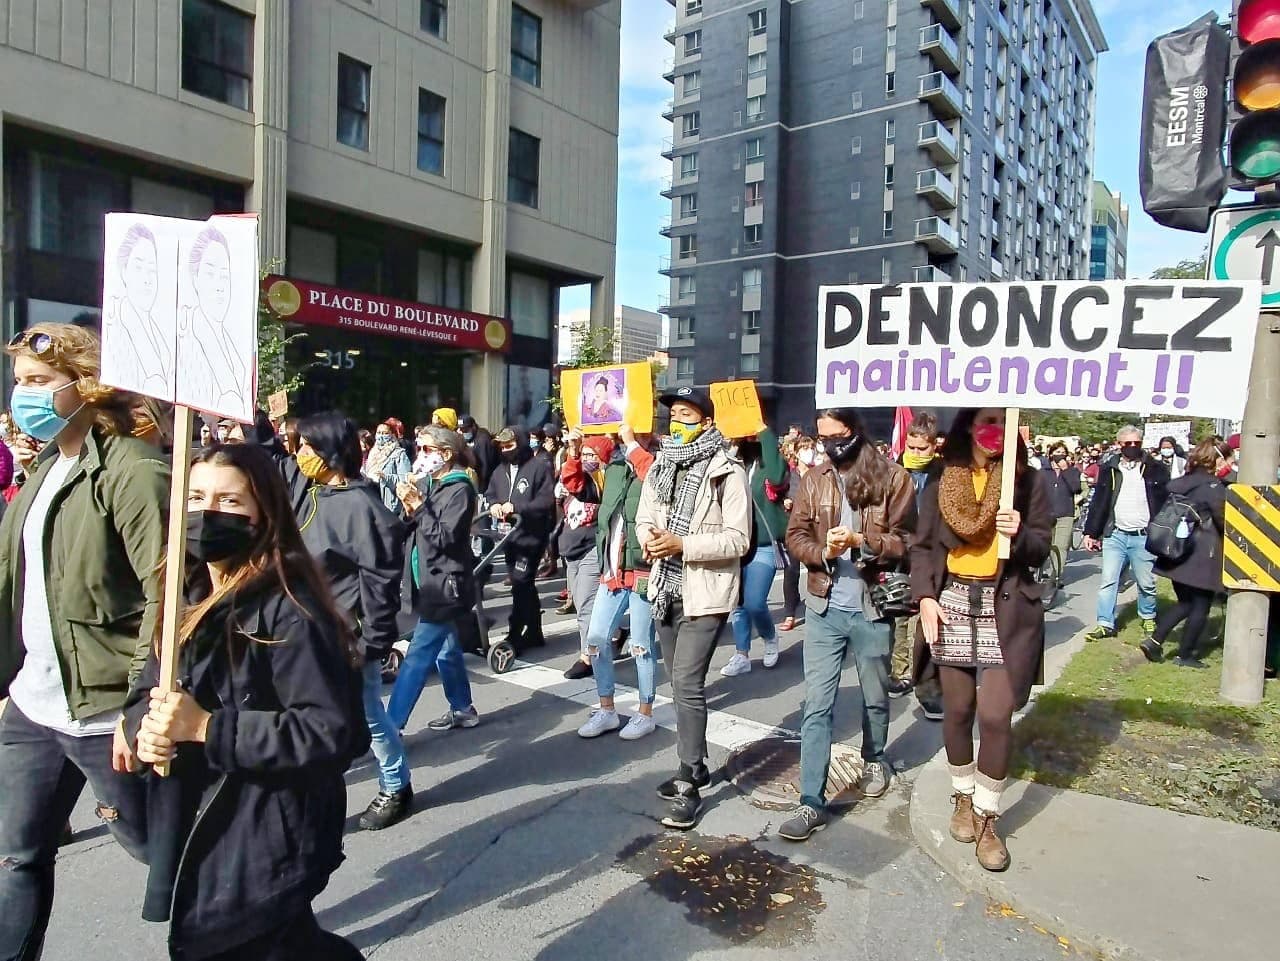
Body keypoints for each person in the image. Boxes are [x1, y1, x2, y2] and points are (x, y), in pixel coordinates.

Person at [124, 443, 366, 961]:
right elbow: (151, 689)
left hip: (265, 830)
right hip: (200, 814)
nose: (209, 512)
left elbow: (332, 731)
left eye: (230, 501)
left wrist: (210, 728)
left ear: (263, 514)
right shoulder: (182, 593)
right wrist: (140, 725)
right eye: (196, 496)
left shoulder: (289, 608)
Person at [0, 323, 169, 959]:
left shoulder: (132, 466)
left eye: (39, 382)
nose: (25, 395)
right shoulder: (44, 465)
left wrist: (138, 707)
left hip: (105, 715)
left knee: (159, 852)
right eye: (19, 382)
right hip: (33, 708)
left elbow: (164, 596)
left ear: (85, 385)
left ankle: (242, 929)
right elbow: (13, 582)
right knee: (18, 858)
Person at [250, 411, 415, 832]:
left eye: (307, 446)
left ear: (329, 451)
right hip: (304, 630)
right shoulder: (309, 488)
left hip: (348, 637)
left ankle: (395, 785)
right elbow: (269, 465)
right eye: (298, 445)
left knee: (368, 715)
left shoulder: (362, 507)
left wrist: (373, 643)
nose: (299, 454)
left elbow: (379, 582)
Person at [910, 408, 1052, 872]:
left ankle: (990, 819)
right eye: (987, 421)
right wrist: (926, 597)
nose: (996, 431)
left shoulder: (1026, 482)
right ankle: (963, 798)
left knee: (995, 714)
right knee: (958, 710)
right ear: (969, 426)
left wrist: (1020, 532)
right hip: (952, 603)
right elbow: (925, 547)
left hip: (1004, 607)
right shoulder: (941, 482)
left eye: (1003, 422)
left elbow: (1040, 548)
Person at [778, 408, 916, 842]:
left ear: (854, 433)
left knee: (875, 696)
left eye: (837, 437)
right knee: (817, 706)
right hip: (823, 606)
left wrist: (862, 541)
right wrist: (823, 552)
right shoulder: (815, 478)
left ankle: (875, 757)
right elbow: (795, 534)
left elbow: (910, 542)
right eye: (823, 438)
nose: (829, 446)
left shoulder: (893, 478)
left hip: (873, 607)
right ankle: (810, 801)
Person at [636, 386, 750, 829]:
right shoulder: (661, 465)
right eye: (673, 415)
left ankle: (689, 781)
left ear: (705, 421)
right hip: (666, 588)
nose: (676, 423)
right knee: (676, 680)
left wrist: (684, 544)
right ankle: (698, 763)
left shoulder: (727, 471)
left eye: (686, 415)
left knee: (686, 682)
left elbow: (739, 540)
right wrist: (650, 537)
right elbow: (646, 516)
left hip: (706, 591)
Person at [389, 426, 482, 732]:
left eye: (427, 450)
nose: (421, 456)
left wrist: (418, 507)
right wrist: (408, 505)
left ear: (446, 454)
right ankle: (463, 708)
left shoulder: (460, 489)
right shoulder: (432, 483)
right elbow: (414, 527)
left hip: (444, 585)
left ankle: (391, 727)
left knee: (417, 656)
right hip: (425, 579)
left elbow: (444, 537)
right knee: (447, 648)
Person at [577, 424, 662, 740]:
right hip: (612, 569)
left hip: (642, 568)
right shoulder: (612, 466)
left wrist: (631, 445)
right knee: (596, 640)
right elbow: (577, 484)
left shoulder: (661, 459)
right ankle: (607, 709)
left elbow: (653, 478)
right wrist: (580, 445)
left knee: (641, 644)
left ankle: (645, 712)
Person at [1142, 438, 1230, 668]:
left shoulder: (1181, 482)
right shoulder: (1213, 488)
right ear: (1218, 459)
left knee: (1185, 603)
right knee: (1201, 606)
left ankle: (1154, 641)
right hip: (1203, 554)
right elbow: (1224, 521)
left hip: (1176, 552)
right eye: (1228, 458)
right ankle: (1186, 654)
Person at [1082, 425, 1170, 641]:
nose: (1132, 447)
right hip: (1116, 535)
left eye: (1136, 443)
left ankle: (1148, 616)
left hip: (1143, 536)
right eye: (1127, 443)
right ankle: (1105, 623)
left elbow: (1165, 501)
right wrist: (1090, 532)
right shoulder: (1109, 468)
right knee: (1108, 581)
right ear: (1119, 444)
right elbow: (1100, 501)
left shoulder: (1155, 468)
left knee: (1146, 582)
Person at [722, 425, 789, 676]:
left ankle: (770, 637)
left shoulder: (769, 463)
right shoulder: (735, 462)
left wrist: (764, 432)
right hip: (736, 545)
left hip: (763, 545)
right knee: (738, 604)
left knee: (755, 602)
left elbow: (777, 478)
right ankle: (742, 654)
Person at [487, 426, 556, 648]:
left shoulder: (538, 467)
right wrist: (494, 504)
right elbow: (491, 493)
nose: (506, 450)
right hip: (510, 538)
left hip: (531, 537)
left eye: (510, 446)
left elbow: (545, 502)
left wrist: (516, 507)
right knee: (523, 585)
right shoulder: (499, 471)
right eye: (503, 447)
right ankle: (535, 631)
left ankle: (515, 631)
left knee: (520, 583)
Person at [559, 432, 609, 680]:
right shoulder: (577, 479)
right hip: (571, 549)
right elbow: (570, 478)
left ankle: (587, 656)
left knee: (585, 605)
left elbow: (575, 480)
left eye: (593, 455)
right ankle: (618, 631)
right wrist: (573, 450)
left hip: (591, 548)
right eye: (585, 454)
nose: (588, 459)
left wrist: (575, 452)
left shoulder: (604, 481)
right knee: (579, 602)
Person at [780, 435, 819, 632]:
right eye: (804, 448)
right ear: (796, 452)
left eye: (811, 447)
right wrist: (785, 502)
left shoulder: (819, 474)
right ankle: (790, 613)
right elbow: (778, 494)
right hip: (795, 529)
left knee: (817, 568)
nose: (808, 452)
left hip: (816, 530)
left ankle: (818, 609)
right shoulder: (789, 474)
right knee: (791, 571)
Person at [1042, 442, 1083, 591]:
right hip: (1045, 514)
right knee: (1045, 545)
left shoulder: (1072, 471)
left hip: (1065, 513)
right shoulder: (1043, 472)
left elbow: (1076, 488)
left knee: (1061, 546)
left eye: (1062, 452)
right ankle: (1039, 572)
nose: (1060, 454)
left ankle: (1056, 576)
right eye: (1057, 452)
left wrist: (1066, 470)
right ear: (1051, 454)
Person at [363, 419, 413, 512]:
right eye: (379, 432)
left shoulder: (399, 454)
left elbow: (405, 481)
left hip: (390, 505)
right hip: (372, 499)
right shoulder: (372, 453)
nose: (381, 436)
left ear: (392, 435)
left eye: (385, 433)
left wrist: (385, 477)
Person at [460, 414, 500, 491]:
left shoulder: (482, 439)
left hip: (485, 483)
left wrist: (481, 488)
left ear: (473, 426)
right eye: (461, 430)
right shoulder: (470, 438)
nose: (464, 432)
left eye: (466, 430)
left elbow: (485, 466)